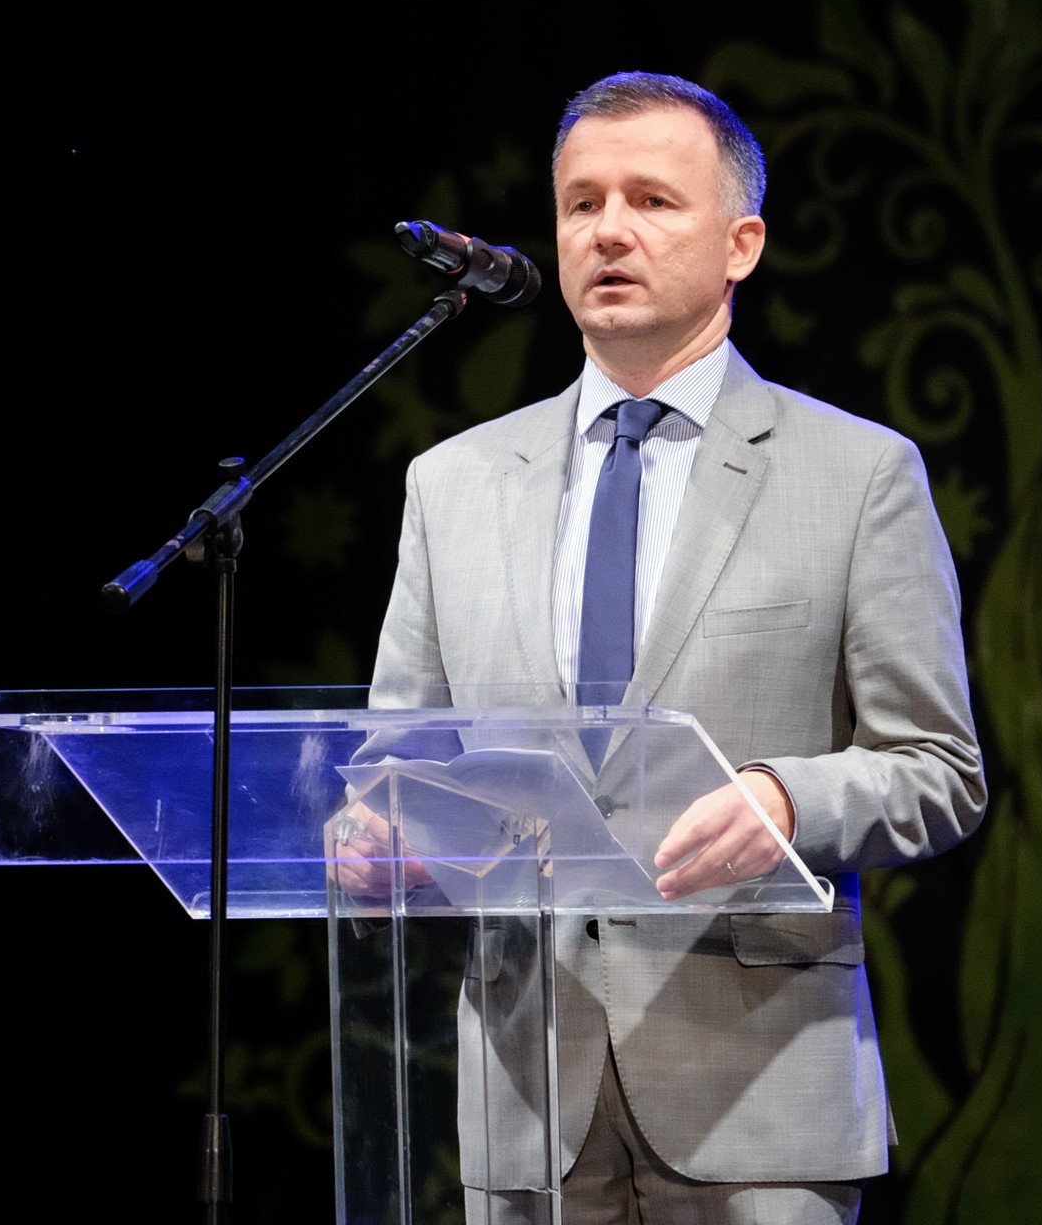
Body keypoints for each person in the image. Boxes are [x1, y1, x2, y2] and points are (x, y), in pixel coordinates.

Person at [365, 71, 986, 1225]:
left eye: (652, 200)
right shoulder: (452, 484)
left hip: (758, 1093)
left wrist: (787, 798)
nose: (609, 230)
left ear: (742, 243)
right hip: (527, 1101)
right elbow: (393, 762)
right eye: (582, 202)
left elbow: (940, 771)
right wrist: (376, 841)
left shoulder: (858, 474)